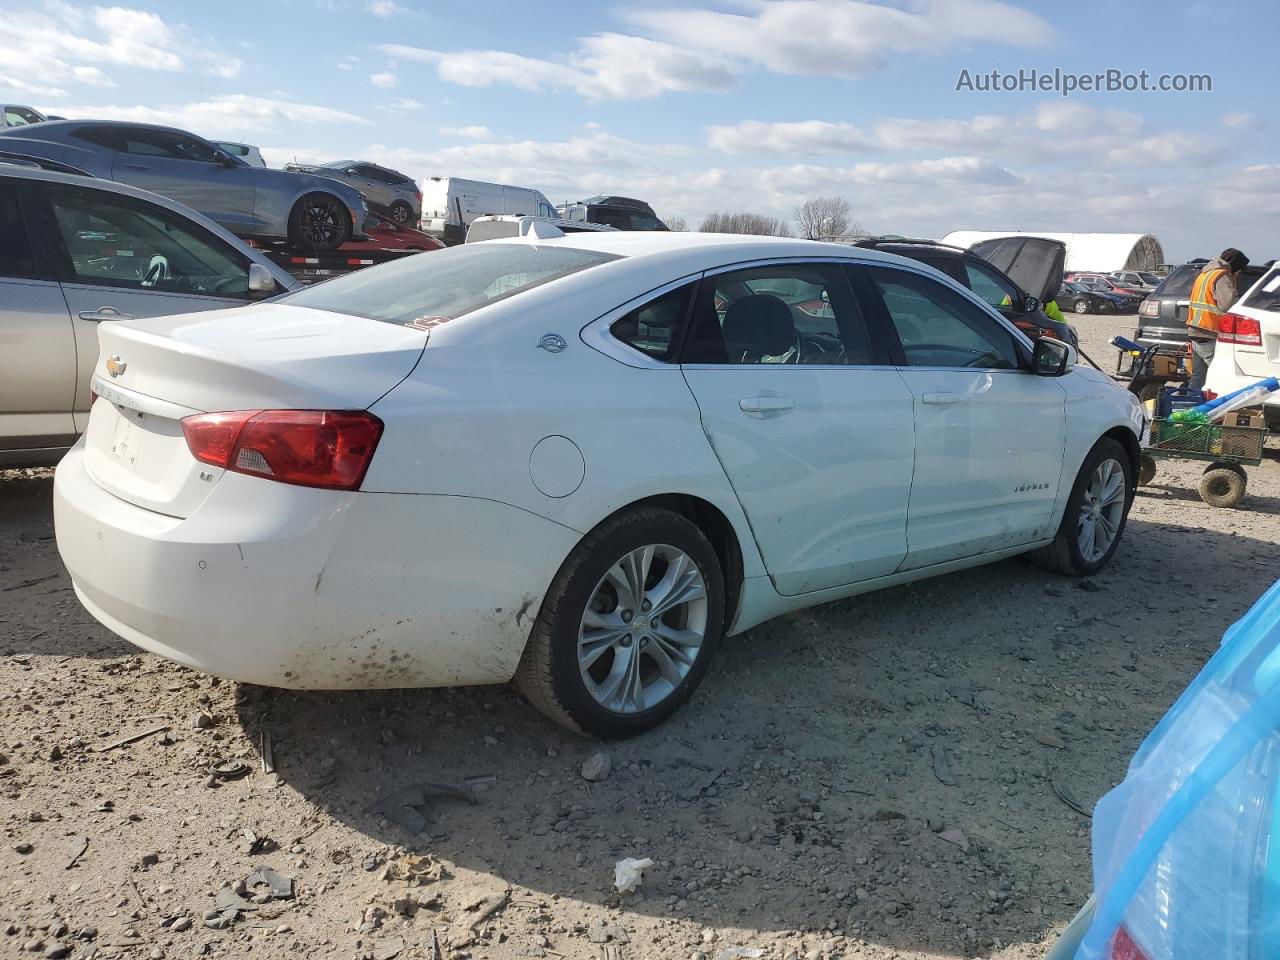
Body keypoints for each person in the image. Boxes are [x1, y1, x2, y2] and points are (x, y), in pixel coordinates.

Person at [1187, 247, 1249, 392]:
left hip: (1197, 331)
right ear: (1234, 265)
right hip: (1210, 332)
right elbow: (1229, 305)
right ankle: (1223, 411)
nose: (1238, 274)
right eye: (1239, 270)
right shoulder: (1222, 276)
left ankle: (1188, 407)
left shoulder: (1206, 273)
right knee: (1221, 377)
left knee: (1199, 378)